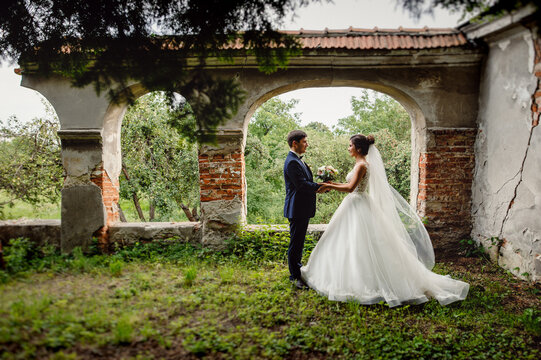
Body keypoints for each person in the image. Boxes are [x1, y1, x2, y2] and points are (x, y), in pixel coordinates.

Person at [302, 134, 469, 307]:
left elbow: (351, 188)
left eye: (350, 145)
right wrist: (332, 183)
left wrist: (330, 186)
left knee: (360, 241)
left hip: (357, 202)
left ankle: (365, 281)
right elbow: (351, 185)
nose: (348, 148)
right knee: (349, 241)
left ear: (358, 148)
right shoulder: (360, 164)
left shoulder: (362, 165)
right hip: (355, 203)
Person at [283, 130, 322, 289]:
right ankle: (294, 276)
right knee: (296, 243)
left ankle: (297, 271)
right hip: (296, 208)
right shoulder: (292, 161)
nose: (307, 144)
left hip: (301, 208)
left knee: (298, 242)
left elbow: (305, 180)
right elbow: (301, 184)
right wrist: (320, 187)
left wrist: (321, 180)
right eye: (304, 141)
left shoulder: (297, 160)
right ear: (295, 143)